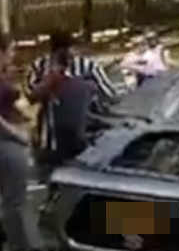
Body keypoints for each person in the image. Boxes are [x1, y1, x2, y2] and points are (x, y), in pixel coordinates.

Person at [27, 31, 116, 181]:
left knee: (81, 180)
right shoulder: (40, 66)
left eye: (69, 49)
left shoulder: (88, 67)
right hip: (50, 137)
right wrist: (49, 82)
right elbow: (30, 96)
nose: (68, 54)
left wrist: (88, 89)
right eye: (62, 51)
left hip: (83, 136)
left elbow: (110, 94)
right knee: (52, 179)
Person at [0, 34, 51, 251]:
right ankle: (23, 250)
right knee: (16, 199)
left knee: (12, 197)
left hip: (10, 140)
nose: (13, 55)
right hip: (7, 144)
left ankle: (17, 244)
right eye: (10, 50)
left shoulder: (4, 76)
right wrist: (16, 134)